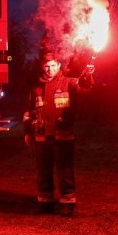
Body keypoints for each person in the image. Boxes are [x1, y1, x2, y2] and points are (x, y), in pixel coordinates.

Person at [23, 50, 95, 216]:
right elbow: (29, 111)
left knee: (65, 171)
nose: (49, 69)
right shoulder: (36, 88)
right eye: (46, 66)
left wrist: (87, 76)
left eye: (53, 65)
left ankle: (67, 203)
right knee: (43, 171)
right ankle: (45, 202)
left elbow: (84, 87)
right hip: (42, 136)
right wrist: (27, 132)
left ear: (59, 66)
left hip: (63, 135)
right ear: (43, 67)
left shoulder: (69, 82)